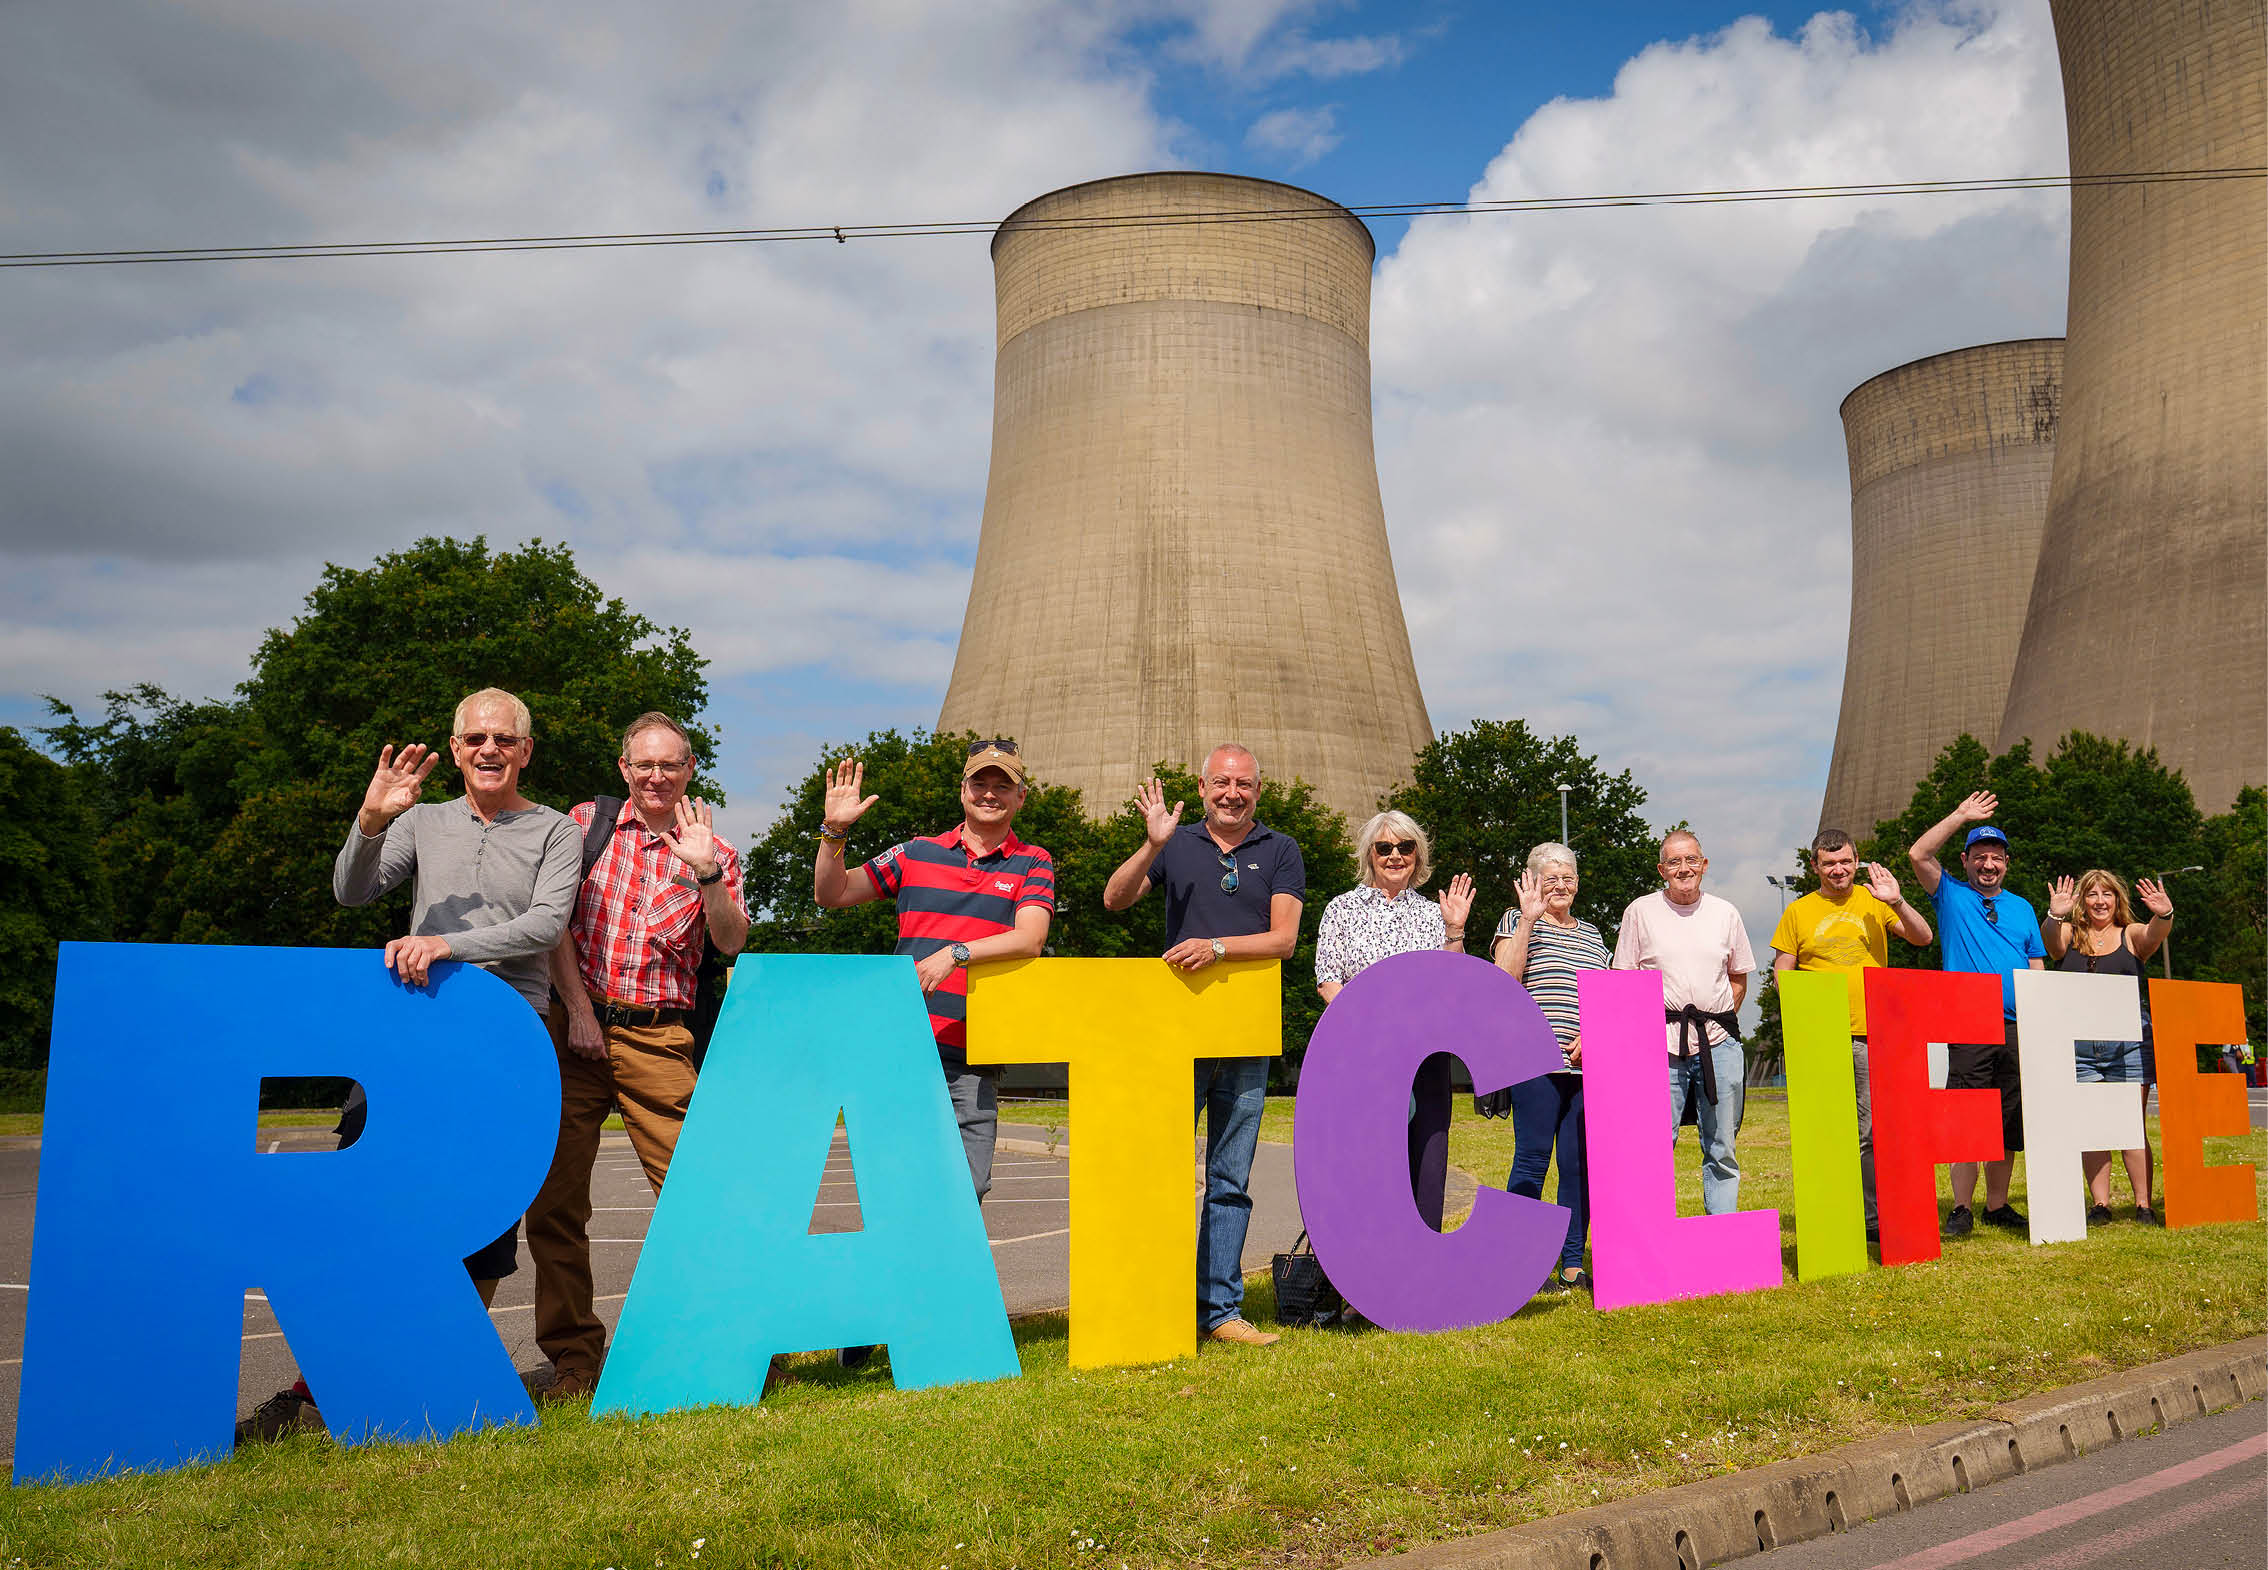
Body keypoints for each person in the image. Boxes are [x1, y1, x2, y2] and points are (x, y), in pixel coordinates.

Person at [243, 689, 582, 1442]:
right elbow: (351, 890)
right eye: (474, 738)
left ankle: (433, 1364)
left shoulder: (557, 831)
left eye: (503, 737)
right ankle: (317, 1389)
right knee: (363, 1212)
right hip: (411, 1037)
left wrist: (447, 944)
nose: (488, 748)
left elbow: (546, 925)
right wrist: (370, 821)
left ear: (526, 750)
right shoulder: (422, 821)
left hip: (504, 1039)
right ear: (456, 749)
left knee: (485, 1223)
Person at [524, 712, 750, 1401]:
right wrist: (582, 1013)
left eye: (670, 765)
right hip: (574, 1031)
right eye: (643, 764)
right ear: (624, 768)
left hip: (660, 1035)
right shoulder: (586, 824)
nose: (656, 776)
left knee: (694, 1195)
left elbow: (732, 941)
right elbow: (552, 920)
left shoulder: (717, 848)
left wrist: (706, 870)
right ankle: (574, 1360)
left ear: (689, 770)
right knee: (555, 1207)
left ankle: (735, 1341)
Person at [1103, 744, 1304, 1348]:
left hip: (1244, 1033)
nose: (1232, 793)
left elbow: (1285, 939)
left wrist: (1216, 946)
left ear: (1258, 791)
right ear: (1203, 784)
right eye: (1221, 782)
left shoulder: (1280, 850)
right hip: (1177, 1029)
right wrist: (1153, 844)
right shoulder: (1178, 845)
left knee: (1230, 1177)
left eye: (1243, 784)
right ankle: (1156, 1300)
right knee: (1162, 1171)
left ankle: (1219, 1311)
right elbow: (1115, 901)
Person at [1313, 810, 1474, 1234]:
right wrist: (1373, 1029)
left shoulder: (1431, 914)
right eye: (1385, 848)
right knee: (1369, 1164)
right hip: (1364, 1057)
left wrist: (1454, 929)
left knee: (1426, 1162)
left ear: (1417, 855)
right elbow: (1328, 981)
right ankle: (1360, 1280)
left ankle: (1421, 1280)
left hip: (1424, 1058)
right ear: (1370, 854)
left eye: (1405, 847)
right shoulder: (1342, 909)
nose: (1395, 856)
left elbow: (1452, 986)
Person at [1769, 829, 1933, 1243]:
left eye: (1844, 861)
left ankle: (1870, 1217)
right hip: (1819, 1033)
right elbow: (1782, 970)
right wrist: (1794, 1021)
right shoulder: (1798, 911)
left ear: (1856, 860)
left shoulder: (1873, 901)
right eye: (1828, 864)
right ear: (1814, 867)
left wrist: (1896, 900)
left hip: (1871, 1031)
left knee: (1868, 1129)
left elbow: (1923, 937)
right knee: (1822, 1129)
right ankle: (1831, 1213)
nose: (1838, 870)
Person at [1906, 790, 2045, 1237]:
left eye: (1996, 858)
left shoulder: (2022, 908)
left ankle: (1997, 1205)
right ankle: (1961, 1208)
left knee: (2008, 1118)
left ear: (2007, 863)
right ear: (1965, 861)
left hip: (2015, 1025)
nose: (1989, 864)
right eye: (1980, 856)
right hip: (1967, 1020)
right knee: (1966, 1115)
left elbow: (2037, 964)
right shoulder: (1951, 896)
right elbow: (1918, 853)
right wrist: (1961, 814)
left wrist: (2039, 1018)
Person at [1612, 830, 1756, 1216]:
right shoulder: (1639, 912)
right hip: (1659, 1045)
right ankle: (1652, 1236)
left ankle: (1721, 1236)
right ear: (1662, 869)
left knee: (1722, 1146)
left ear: (1704, 865)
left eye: (1691, 859)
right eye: (1674, 862)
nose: (1683, 868)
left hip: (1719, 1044)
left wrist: (1718, 1024)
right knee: (1655, 1146)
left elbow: (1739, 977)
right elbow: (1624, 979)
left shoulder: (1725, 913)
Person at [1491, 842, 1611, 1291]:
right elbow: (1504, 980)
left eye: (1568, 877)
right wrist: (1527, 919)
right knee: (1532, 1159)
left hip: (1586, 1067)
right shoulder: (1517, 920)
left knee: (1578, 1165)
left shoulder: (1594, 934)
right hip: (1534, 1061)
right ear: (1534, 880)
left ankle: (1572, 1261)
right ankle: (1520, 1259)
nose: (1560, 885)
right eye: (1550, 877)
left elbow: (1605, 998)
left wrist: (1596, 1032)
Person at [2043, 869, 2173, 1227]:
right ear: (2082, 901)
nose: (2100, 901)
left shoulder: (2130, 935)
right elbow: (2050, 940)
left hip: (2128, 1044)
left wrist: (2164, 915)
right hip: (2078, 1046)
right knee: (2090, 1125)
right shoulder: (2068, 934)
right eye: (2092, 894)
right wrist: (2055, 913)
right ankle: (2100, 1205)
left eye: (2107, 894)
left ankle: (2143, 1204)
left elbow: (2153, 934)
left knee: (2131, 1124)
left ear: (2118, 900)